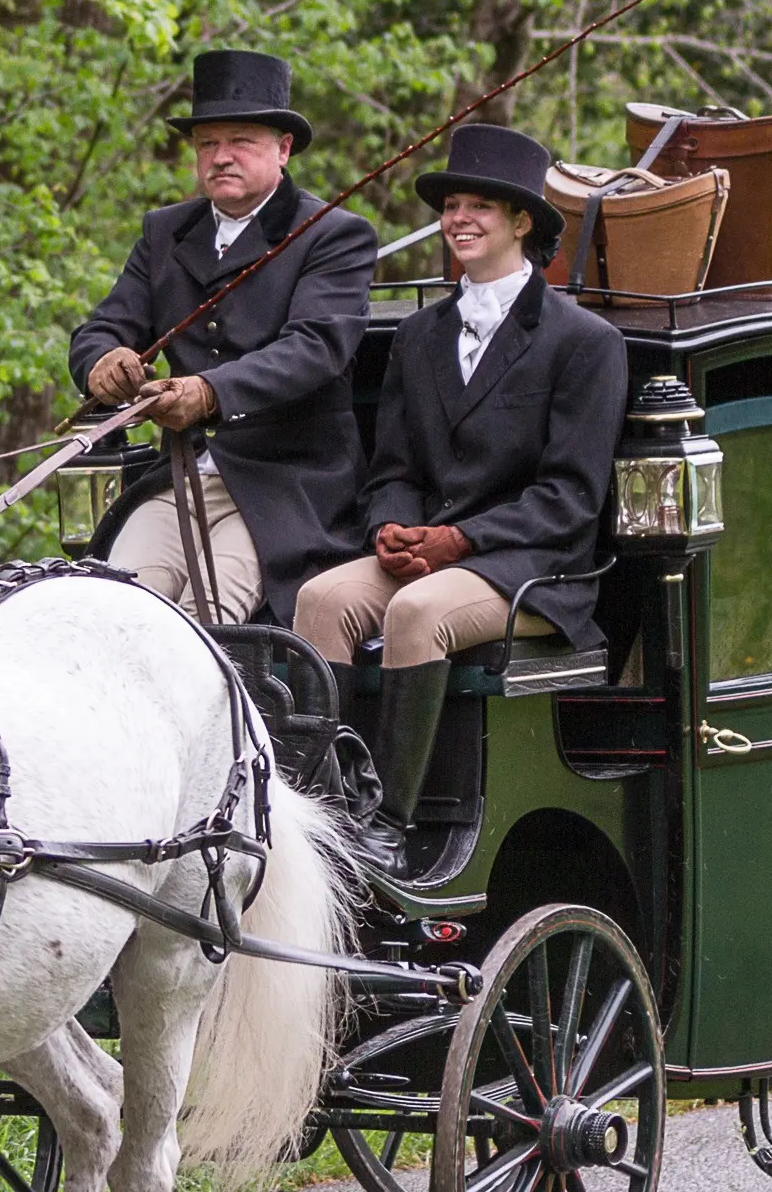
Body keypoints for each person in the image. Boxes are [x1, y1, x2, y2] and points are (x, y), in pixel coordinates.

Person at [293, 121, 628, 843]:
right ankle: (319, 810)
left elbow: (569, 498)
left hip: (535, 568)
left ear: (520, 221)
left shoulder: (584, 343)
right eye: (449, 207)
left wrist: (459, 538)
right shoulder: (418, 336)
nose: (457, 219)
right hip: (430, 551)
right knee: (321, 597)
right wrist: (390, 526)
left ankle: (387, 822)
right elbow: (394, 470)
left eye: (478, 205)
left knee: (416, 613)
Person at [68, 50, 377, 627]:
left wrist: (209, 392)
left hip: (285, 487)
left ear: (283, 149)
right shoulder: (165, 231)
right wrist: (102, 360)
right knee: (109, 611)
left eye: (241, 141)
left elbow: (314, 348)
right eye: (207, 144)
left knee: (200, 626)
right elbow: (105, 324)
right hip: (180, 479)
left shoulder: (334, 235)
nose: (221, 157)